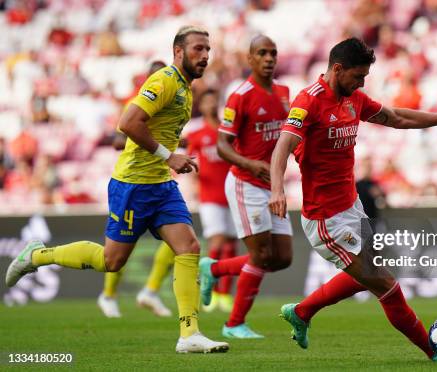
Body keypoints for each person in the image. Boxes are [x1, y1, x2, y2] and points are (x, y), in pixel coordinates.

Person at [5, 26, 229, 354]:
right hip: (133, 186)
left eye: (208, 49)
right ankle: (37, 255)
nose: (205, 55)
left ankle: (189, 334)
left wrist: (173, 153)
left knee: (189, 247)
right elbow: (128, 122)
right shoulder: (165, 80)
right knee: (111, 261)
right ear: (178, 52)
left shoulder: (186, 87)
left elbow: (157, 129)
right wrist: (170, 156)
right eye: (198, 48)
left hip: (161, 186)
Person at [269, 37, 437, 362]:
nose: (361, 83)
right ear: (337, 69)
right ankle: (435, 353)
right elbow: (282, 147)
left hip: (352, 207)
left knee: (367, 279)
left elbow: (398, 117)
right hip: (326, 218)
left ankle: (302, 312)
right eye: (357, 76)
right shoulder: (308, 102)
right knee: (387, 286)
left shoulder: (354, 99)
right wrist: (277, 189)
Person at [198, 35, 293, 339]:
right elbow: (223, 146)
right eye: (262, 53)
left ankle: (213, 270)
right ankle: (233, 323)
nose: (268, 58)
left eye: (273, 53)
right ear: (250, 59)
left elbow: (286, 137)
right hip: (246, 183)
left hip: (272, 185)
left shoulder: (283, 92)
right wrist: (252, 165)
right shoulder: (240, 96)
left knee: (283, 258)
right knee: (261, 254)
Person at [97, 60, 174, 319]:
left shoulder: (173, 99)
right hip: (131, 179)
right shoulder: (138, 102)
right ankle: (108, 295)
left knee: (180, 242)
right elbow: (120, 136)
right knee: (119, 249)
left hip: (159, 178)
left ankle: (151, 291)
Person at [187, 88, 238, 313]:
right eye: (206, 100)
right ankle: (210, 283)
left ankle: (224, 293)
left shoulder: (227, 130)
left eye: (213, 99)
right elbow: (191, 160)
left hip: (231, 194)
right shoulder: (196, 134)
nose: (210, 104)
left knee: (232, 244)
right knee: (217, 242)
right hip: (209, 196)